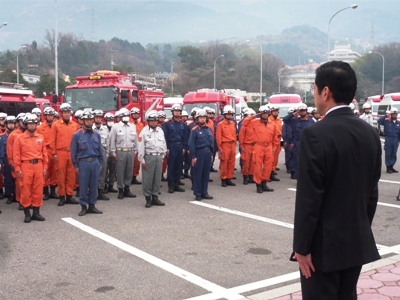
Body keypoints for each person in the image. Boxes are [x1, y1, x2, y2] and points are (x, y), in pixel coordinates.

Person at [292, 61, 381, 300]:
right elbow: (372, 193)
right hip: (356, 242)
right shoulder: (369, 133)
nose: (314, 96)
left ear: (326, 92)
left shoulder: (316, 134)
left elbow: (309, 198)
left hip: (323, 248)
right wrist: (359, 230)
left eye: (314, 89)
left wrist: (301, 247)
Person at [13, 114, 48, 223]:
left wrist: (45, 166)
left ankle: (36, 213)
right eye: (30, 124)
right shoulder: (20, 138)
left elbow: (44, 153)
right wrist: (18, 169)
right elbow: (16, 156)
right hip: (25, 166)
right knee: (26, 190)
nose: (32, 126)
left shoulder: (40, 137)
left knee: (38, 190)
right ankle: (27, 213)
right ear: (26, 125)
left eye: (34, 123)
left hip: (38, 165)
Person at [71, 111, 103, 216]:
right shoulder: (77, 135)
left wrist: (100, 162)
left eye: (90, 120)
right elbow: (73, 152)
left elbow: (100, 150)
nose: (89, 122)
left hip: (95, 162)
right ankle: (84, 206)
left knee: (94, 185)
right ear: (83, 121)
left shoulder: (96, 135)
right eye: (87, 120)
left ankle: (92, 205)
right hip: (83, 163)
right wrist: (75, 165)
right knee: (83, 186)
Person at [242, 106, 279, 193]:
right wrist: (254, 116)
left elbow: (275, 137)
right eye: (263, 113)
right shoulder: (255, 122)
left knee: (268, 166)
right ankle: (258, 184)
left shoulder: (272, 124)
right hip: (259, 146)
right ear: (260, 114)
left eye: (266, 113)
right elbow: (245, 123)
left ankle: (264, 183)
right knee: (257, 166)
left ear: (268, 114)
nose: (265, 115)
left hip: (269, 147)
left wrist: (274, 147)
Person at [50, 103, 80, 206]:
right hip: (60, 152)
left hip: (71, 152)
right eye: (65, 112)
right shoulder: (56, 125)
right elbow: (52, 140)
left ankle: (69, 195)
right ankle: (62, 196)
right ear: (61, 113)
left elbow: (77, 141)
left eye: (68, 112)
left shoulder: (74, 125)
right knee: (61, 175)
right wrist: (54, 154)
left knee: (71, 176)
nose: (67, 114)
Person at [137, 111, 166, 208]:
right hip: (148, 157)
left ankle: (155, 197)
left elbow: (163, 144)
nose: (154, 122)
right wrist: (142, 160)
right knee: (148, 179)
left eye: (155, 120)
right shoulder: (144, 132)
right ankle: (148, 198)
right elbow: (140, 147)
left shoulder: (160, 131)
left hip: (158, 156)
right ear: (148, 121)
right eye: (151, 121)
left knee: (157, 179)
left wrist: (162, 156)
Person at [109, 108, 138, 199]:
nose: (126, 117)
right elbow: (112, 141)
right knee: (120, 171)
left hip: (130, 151)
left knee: (129, 171)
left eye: (127, 116)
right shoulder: (115, 127)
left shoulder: (133, 126)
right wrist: (113, 152)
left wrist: (136, 151)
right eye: (124, 116)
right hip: (120, 151)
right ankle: (120, 190)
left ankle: (127, 189)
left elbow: (136, 140)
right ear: (120, 117)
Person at [282, 103, 314, 179]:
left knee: (307, 159)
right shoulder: (295, 121)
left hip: (307, 142)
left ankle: (306, 174)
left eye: (303, 111)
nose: (302, 112)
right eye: (301, 111)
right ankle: (296, 174)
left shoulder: (311, 121)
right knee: (296, 159)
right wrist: (293, 114)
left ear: (306, 111)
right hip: (297, 142)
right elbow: (285, 119)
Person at [188, 109, 214, 200]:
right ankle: (198, 193)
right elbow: (191, 144)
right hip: (199, 153)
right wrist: (193, 156)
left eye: (204, 118)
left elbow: (211, 142)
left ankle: (204, 192)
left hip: (207, 153)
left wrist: (211, 153)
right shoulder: (194, 130)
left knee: (206, 174)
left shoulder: (208, 129)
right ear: (197, 119)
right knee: (198, 174)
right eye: (200, 118)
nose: (202, 119)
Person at [162, 104, 187, 193]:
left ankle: (176, 184)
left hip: (180, 146)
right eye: (175, 111)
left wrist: (184, 147)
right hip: (171, 146)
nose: (177, 112)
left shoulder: (182, 124)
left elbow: (185, 137)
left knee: (179, 166)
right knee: (171, 166)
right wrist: (166, 148)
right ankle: (171, 185)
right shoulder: (167, 124)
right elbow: (164, 136)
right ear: (172, 112)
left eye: (178, 111)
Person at [37, 107, 59, 200]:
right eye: (48, 115)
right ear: (45, 116)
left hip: (54, 151)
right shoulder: (40, 128)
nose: (50, 117)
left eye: (51, 115)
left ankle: (53, 192)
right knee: (45, 172)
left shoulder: (56, 126)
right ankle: (46, 192)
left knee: (54, 172)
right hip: (45, 151)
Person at [7, 113, 27, 210]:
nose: (23, 123)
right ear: (18, 123)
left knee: (28, 184)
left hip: (28, 162)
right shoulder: (13, 134)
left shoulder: (30, 134)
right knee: (20, 184)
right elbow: (10, 150)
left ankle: (28, 201)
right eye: (21, 121)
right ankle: (20, 201)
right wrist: (11, 163)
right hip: (18, 162)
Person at [216, 105, 237, 187]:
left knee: (231, 163)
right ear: (224, 115)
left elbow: (235, 135)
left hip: (232, 144)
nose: (229, 115)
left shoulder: (233, 124)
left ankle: (229, 177)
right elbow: (218, 137)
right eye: (227, 114)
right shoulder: (220, 124)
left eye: (230, 114)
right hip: (225, 145)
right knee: (224, 162)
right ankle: (223, 179)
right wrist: (220, 148)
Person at [93, 109, 110, 200]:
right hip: (93, 152)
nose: (98, 119)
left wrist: (106, 154)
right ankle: (93, 192)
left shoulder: (105, 129)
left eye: (100, 117)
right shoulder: (90, 128)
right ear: (94, 118)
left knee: (102, 172)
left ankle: (100, 191)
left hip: (102, 151)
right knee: (93, 172)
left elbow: (107, 142)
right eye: (96, 117)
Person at [377, 107, 400, 173]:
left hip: (395, 140)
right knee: (388, 153)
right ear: (391, 114)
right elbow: (379, 121)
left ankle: (392, 166)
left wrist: (399, 141)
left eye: (395, 114)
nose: (394, 115)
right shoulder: (386, 121)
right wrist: (386, 115)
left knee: (394, 153)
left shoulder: (398, 123)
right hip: (388, 139)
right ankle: (388, 167)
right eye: (393, 114)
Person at [1, 116, 16, 204]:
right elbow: (1, 150)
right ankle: (9, 195)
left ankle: (15, 195)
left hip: (16, 159)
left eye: (12, 123)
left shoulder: (18, 136)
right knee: (7, 178)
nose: (11, 125)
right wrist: (2, 162)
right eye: (9, 123)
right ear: (6, 125)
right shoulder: (2, 137)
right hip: (6, 159)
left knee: (16, 178)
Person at [238, 108, 255, 185]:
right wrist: (242, 146)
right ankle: (245, 177)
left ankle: (251, 177)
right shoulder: (244, 125)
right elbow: (241, 136)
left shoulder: (256, 125)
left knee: (253, 162)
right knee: (246, 162)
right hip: (247, 145)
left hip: (254, 145)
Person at [104, 112, 118, 193]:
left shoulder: (115, 129)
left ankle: (111, 185)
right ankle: (105, 185)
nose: (110, 121)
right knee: (105, 171)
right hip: (106, 154)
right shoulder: (103, 129)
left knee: (113, 171)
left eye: (112, 120)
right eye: (108, 120)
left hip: (113, 153)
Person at [130, 107, 144, 185]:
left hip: (139, 145)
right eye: (134, 114)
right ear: (131, 115)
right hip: (131, 145)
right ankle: (129, 178)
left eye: (137, 114)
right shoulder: (129, 123)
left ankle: (134, 177)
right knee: (130, 163)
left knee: (137, 163)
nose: (136, 115)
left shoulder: (141, 124)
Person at [268, 106, 282, 181]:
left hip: (278, 141)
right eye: (274, 111)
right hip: (272, 141)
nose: (275, 112)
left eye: (276, 111)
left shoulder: (279, 120)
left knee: (275, 159)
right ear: (271, 112)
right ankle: (269, 173)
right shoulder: (269, 120)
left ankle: (272, 172)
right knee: (271, 159)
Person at [157, 111, 168, 182]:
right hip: (158, 145)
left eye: (163, 117)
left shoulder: (166, 125)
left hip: (165, 144)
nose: (162, 119)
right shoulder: (156, 126)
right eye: (160, 117)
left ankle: (162, 174)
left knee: (165, 162)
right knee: (159, 162)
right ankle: (158, 176)